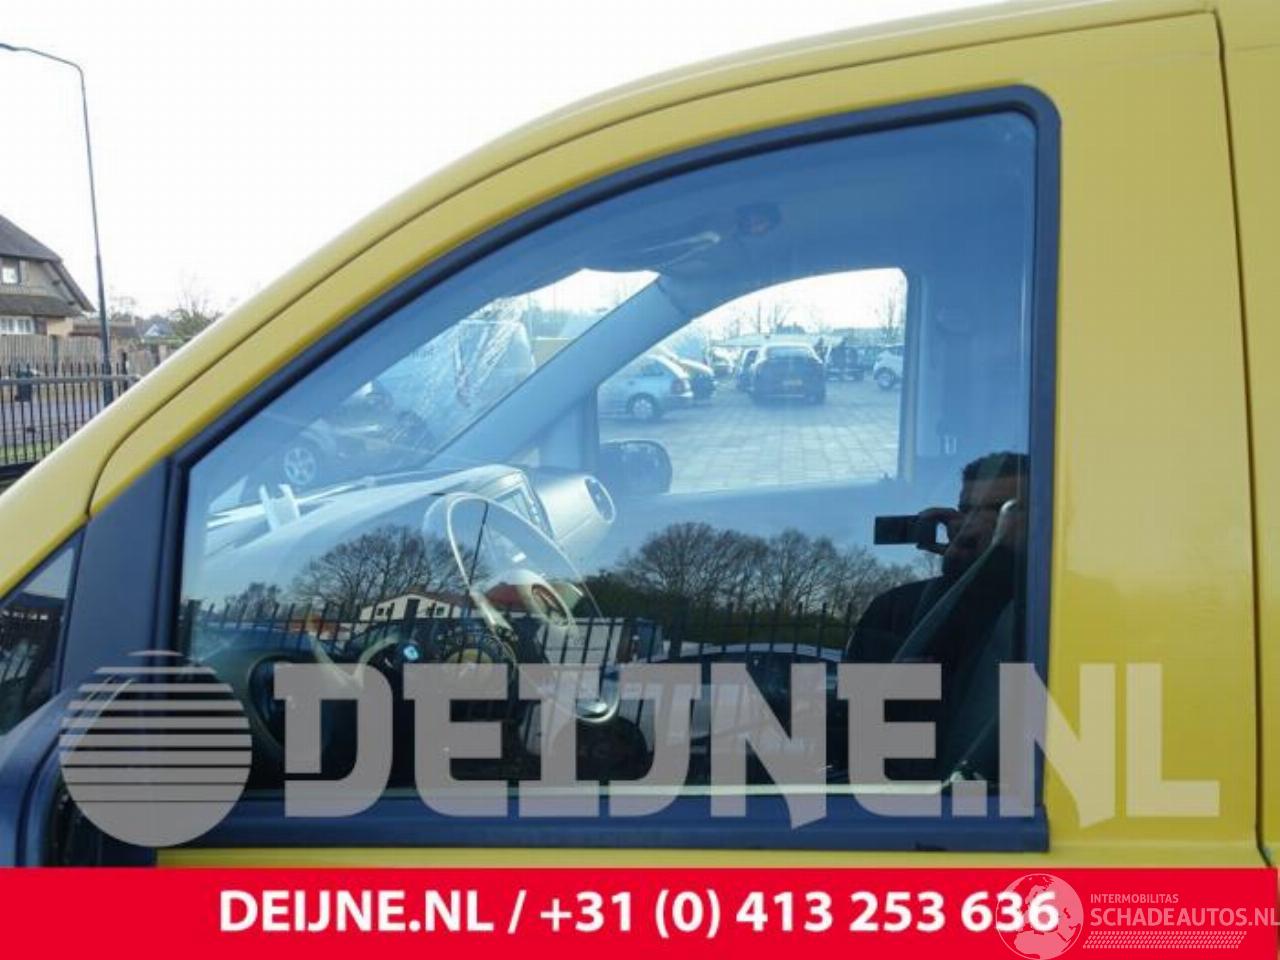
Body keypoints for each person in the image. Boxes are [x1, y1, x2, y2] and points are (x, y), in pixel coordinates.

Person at [843, 451, 1028, 781]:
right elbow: (848, 732)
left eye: (1001, 511)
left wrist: (993, 560)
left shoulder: (1056, 609)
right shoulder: (898, 610)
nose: (971, 525)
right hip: (907, 798)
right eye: (967, 510)